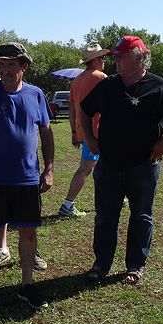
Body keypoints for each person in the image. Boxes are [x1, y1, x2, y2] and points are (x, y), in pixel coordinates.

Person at [79, 36, 163, 285]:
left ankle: (136, 265)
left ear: (140, 57)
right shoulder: (107, 86)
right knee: (105, 216)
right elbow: (84, 111)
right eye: (115, 57)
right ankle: (101, 263)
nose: (116, 61)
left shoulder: (159, 86)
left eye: (121, 56)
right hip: (108, 163)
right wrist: (90, 139)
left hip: (143, 165)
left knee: (141, 216)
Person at [0, 42, 55, 316]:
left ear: (24, 67)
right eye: (1, 65)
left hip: (27, 180)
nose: (4, 70)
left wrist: (49, 169)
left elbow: (47, 133)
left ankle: (26, 285)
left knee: (28, 232)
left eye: (11, 65)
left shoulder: (36, 95)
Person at [57, 43, 110, 218]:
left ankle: (115, 196)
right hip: (97, 132)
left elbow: (72, 108)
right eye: (102, 58)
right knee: (85, 168)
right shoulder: (101, 78)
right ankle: (67, 204)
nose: (105, 61)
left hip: (83, 131)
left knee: (108, 165)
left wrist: (74, 131)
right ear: (95, 60)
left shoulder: (77, 80)